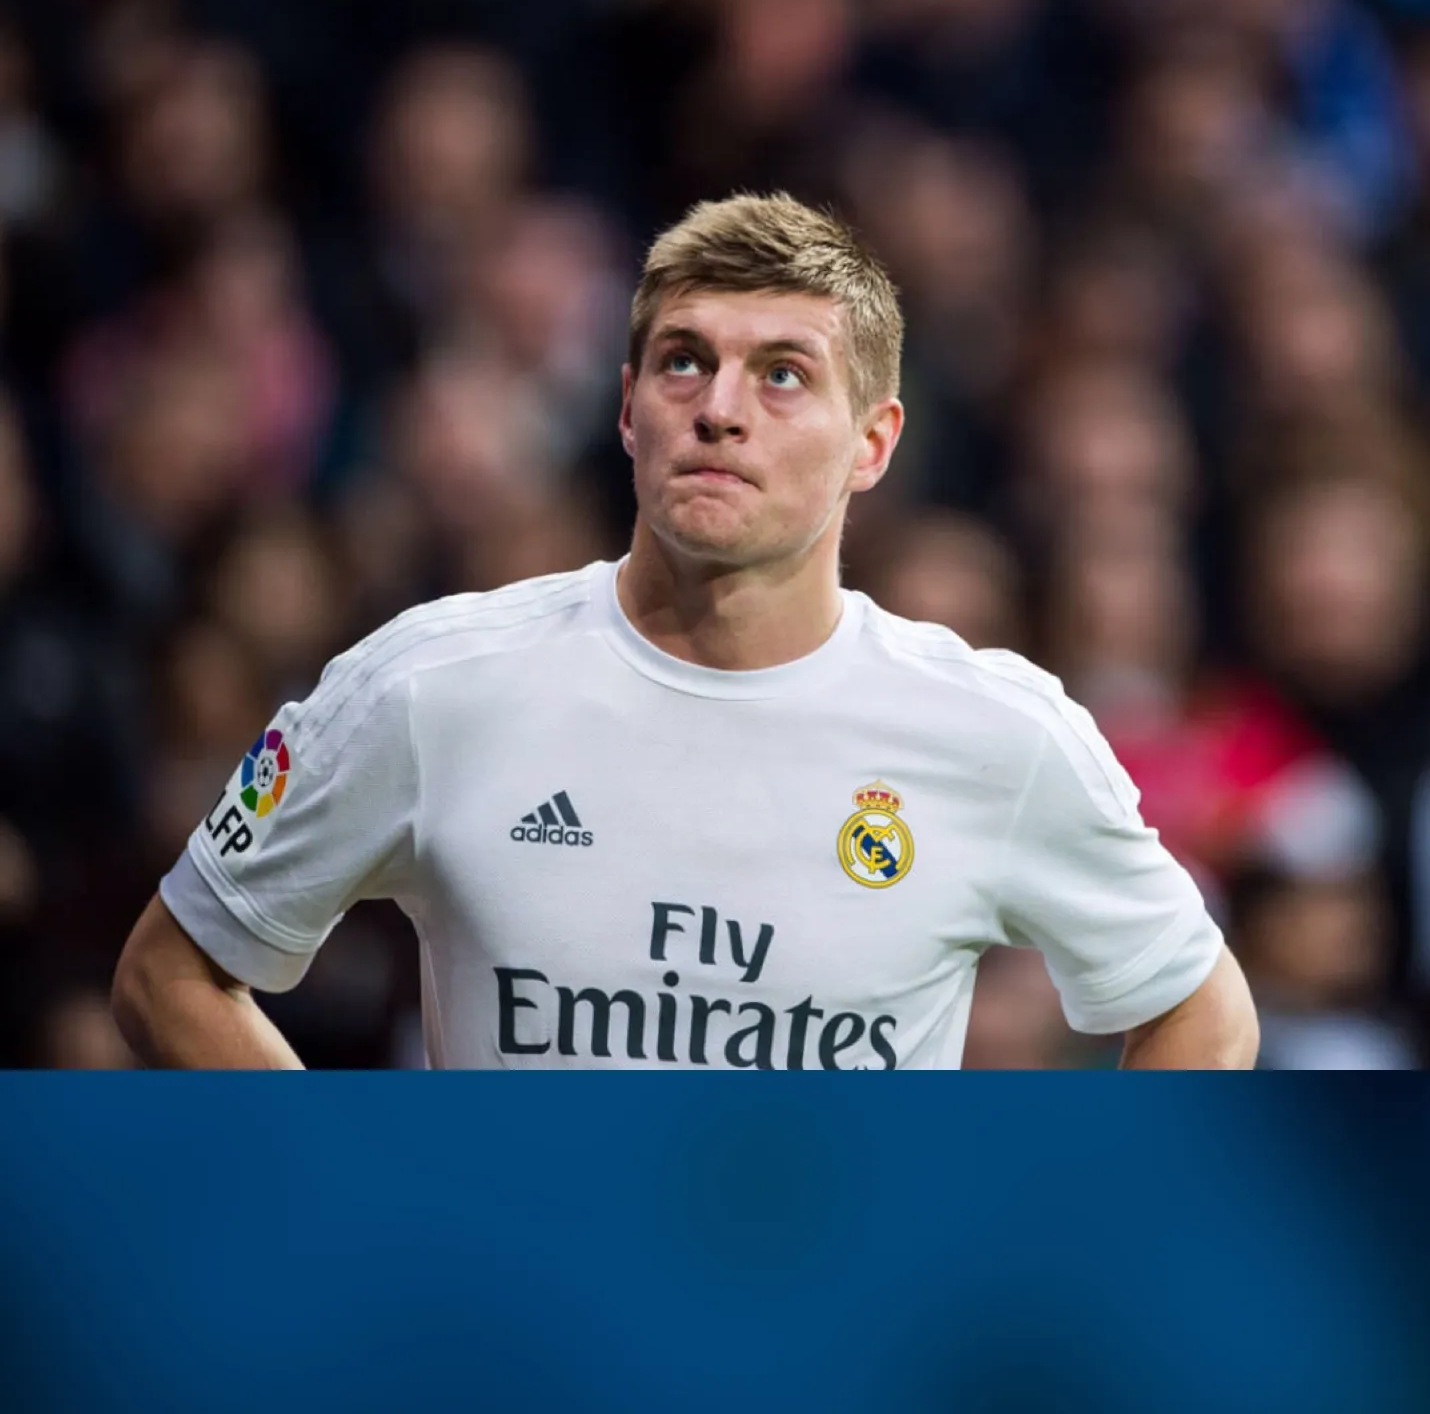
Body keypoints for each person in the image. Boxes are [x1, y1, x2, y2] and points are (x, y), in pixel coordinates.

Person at [112, 192, 1257, 1071]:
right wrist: (360, 1199)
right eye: (683, 360)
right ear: (626, 407)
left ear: (873, 442)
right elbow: (170, 971)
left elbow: (1201, 1010)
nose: (717, 406)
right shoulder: (429, 684)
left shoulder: (997, 733)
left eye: (782, 374)